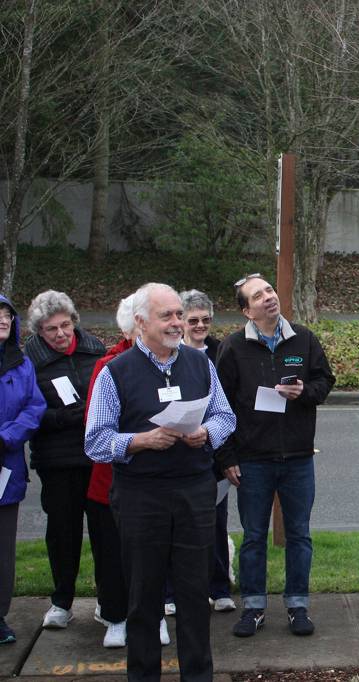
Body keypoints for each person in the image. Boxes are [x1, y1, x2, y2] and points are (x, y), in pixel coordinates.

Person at [85, 283, 236, 682]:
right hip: (141, 497)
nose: (177, 322)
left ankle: (198, 676)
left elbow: (225, 417)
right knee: (144, 600)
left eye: (178, 314)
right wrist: (139, 441)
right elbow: (96, 440)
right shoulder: (114, 372)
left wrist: (206, 433)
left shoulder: (200, 363)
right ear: (140, 323)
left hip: (193, 492)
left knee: (192, 596)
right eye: (166, 315)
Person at [215, 275, 335, 638]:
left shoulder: (304, 338)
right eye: (258, 296)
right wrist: (227, 457)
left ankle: (298, 605)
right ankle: (253, 607)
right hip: (252, 459)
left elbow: (325, 381)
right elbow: (219, 405)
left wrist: (305, 392)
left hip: (298, 457)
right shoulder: (234, 348)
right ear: (246, 310)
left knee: (299, 535)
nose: (268, 298)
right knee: (253, 537)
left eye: (269, 290)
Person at [83, 294, 167, 649]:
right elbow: (97, 430)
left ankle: (154, 615)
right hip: (111, 481)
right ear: (134, 328)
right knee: (114, 554)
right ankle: (116, 617)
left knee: (154, 554)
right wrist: (141, 437)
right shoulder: (109, 366)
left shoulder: (172, 363)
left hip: (159, 480)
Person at [23, 290, 106, 630]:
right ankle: (61, 601)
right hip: (57, 461)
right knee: (62, 534)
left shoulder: (95, 349)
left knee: (106, 533)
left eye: (64, 325)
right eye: (50, 329)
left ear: (74, 322)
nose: (60, 334)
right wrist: (62, 418)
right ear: (38, 332)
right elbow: (27, 411)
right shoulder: (29, 360)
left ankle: (108, 599)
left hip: (96, 458)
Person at [163, 290, 235, 615]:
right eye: (193, 320)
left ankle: (220, 587)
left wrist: (227, 456)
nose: (199, 325)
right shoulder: (170, 355)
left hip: (216, 452)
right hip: (178, 454)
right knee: (175, 527)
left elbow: (230, 408)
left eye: (206, 320)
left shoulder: (223, 351)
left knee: (216, 525)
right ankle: (171, 592)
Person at [0, 295, 46, 644]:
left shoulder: (21, 363)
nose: (3, 320)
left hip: (7, 466)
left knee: (3, 549)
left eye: (7, 315)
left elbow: (34, 405)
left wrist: (8, 436)